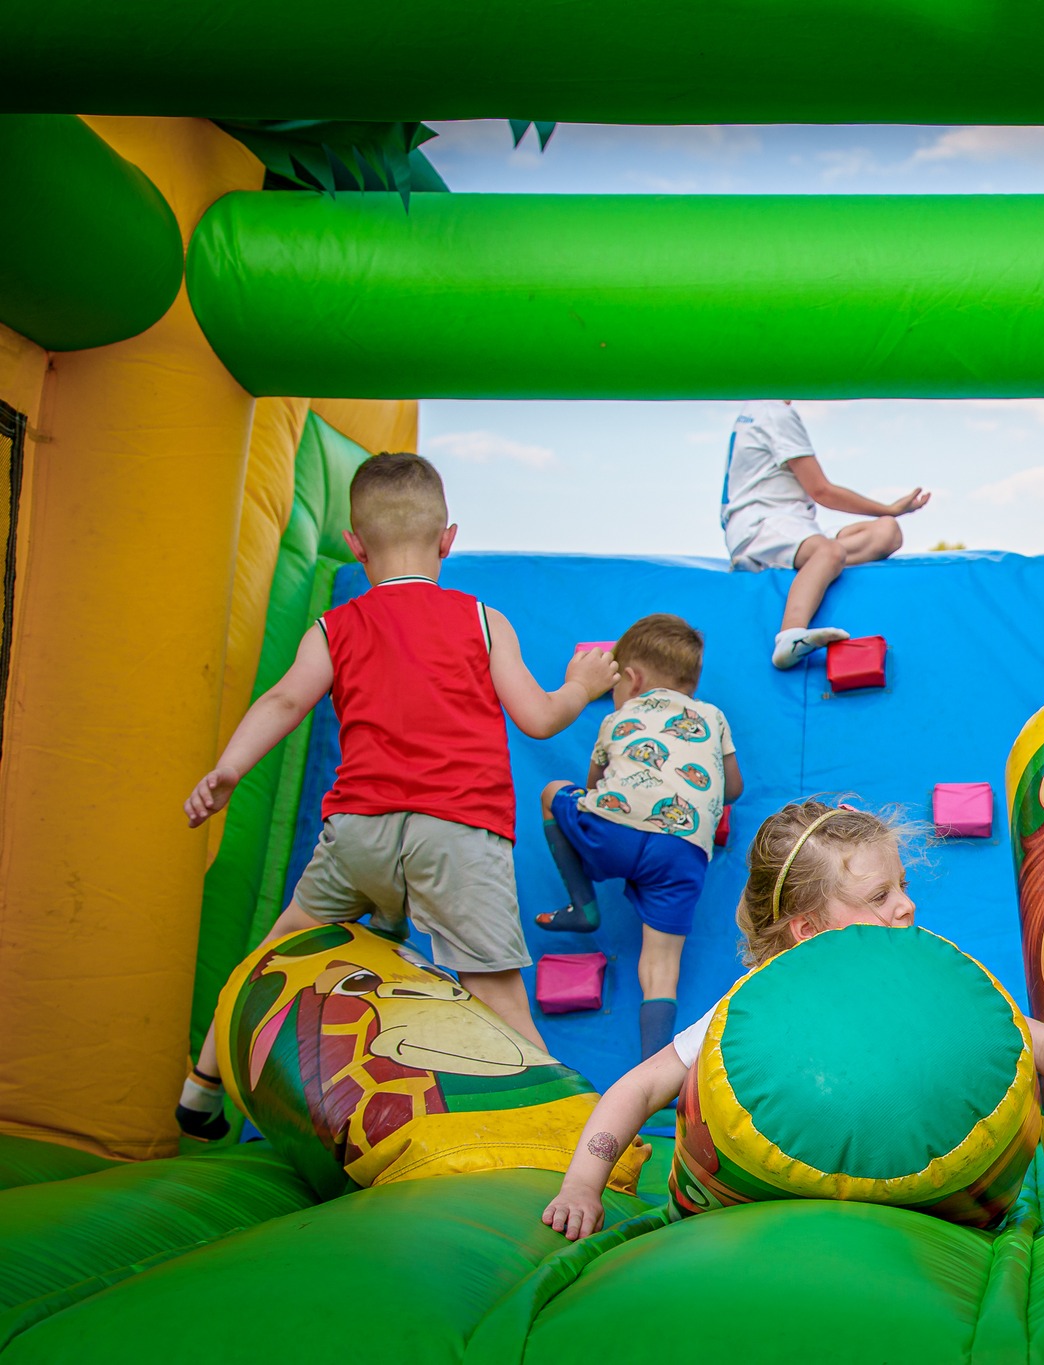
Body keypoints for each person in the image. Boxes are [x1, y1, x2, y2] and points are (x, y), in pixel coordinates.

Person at [176, 452, 618, 1139]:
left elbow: (285, 699)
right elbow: (536, 717)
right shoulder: (482, 620)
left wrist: (230, 769)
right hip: (457, 835)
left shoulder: (334, 626)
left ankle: (200, 1091)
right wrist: (581, 687)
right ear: (448, 540)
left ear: (355, 544)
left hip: (359, 832)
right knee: (498, 996)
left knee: (277, 952)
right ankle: (581, 1139)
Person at [540, 800, 1044, 1238]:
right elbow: (641, 1086)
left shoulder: (934, 988)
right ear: (808, 930)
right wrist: (583, 1185)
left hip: (931, 1198)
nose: (905, 907)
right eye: (879, 896)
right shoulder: (752, 1017)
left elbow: (1034, 1041)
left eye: (903, 886)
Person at [532, 613, 741, 1062]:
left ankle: (582, 905)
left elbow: (593, 787)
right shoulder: (713, 716)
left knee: (553, 793)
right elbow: (734, 788)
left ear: (632, 678)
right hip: (682, 851)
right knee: (662, 968)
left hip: (616, 834)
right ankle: (654, 1078)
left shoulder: (619, 717)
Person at [721, 401, 931, 669]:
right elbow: (821, 491)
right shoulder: (775, 411)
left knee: (887, 532)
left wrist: (888, 516)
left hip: (794, 522)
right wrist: (889, 508)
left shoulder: (759, 408)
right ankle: (790, 634)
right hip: (761, 522)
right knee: (828, 551)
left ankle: (800, 565)